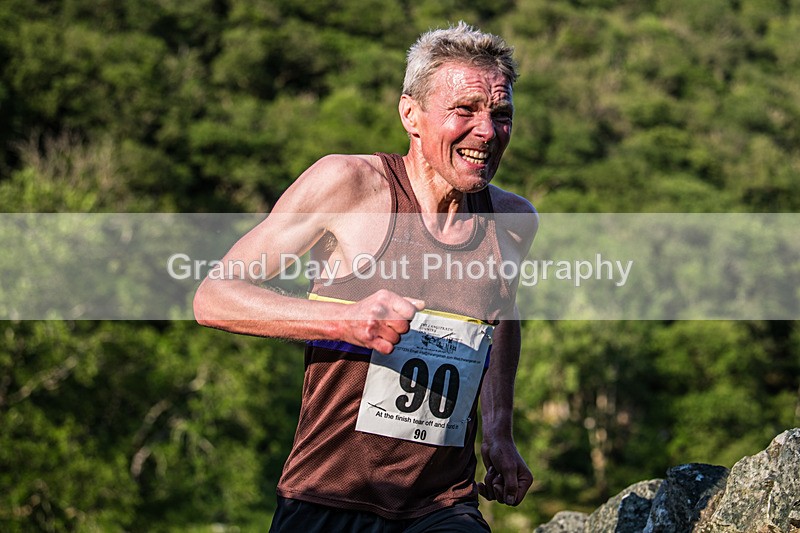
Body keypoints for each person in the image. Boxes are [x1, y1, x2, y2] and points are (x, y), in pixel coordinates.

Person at [193, 21, 538, 532]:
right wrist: (345, 321)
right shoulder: (349, 185)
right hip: (329, 493)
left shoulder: (511, 222)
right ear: (410, 114)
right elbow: (214, 297)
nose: (487, 132)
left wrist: (499, 430)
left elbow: (500, 314)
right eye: (464, 110)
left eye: (500, 114)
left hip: (442, 503)